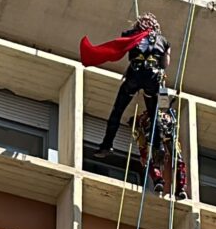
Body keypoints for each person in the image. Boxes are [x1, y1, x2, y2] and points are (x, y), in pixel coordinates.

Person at [79, 13, 171, 158]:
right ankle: (158, 146)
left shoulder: (131, 34)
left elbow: (120, 45)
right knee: (154, 114)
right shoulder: (164, 41)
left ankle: (106, 145)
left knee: (118, 111)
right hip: (152, 78)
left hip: (134, 75)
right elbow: (165, 64)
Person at [132, 107, 187, 200]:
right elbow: (142, 143)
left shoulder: (145, 119)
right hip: (157, 137)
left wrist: (144, 155)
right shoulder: (143, 121)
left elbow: (142, 144)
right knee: (155, 158)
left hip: (165, 136)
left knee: (177, 160)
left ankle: (177, 187)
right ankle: (160, 181)